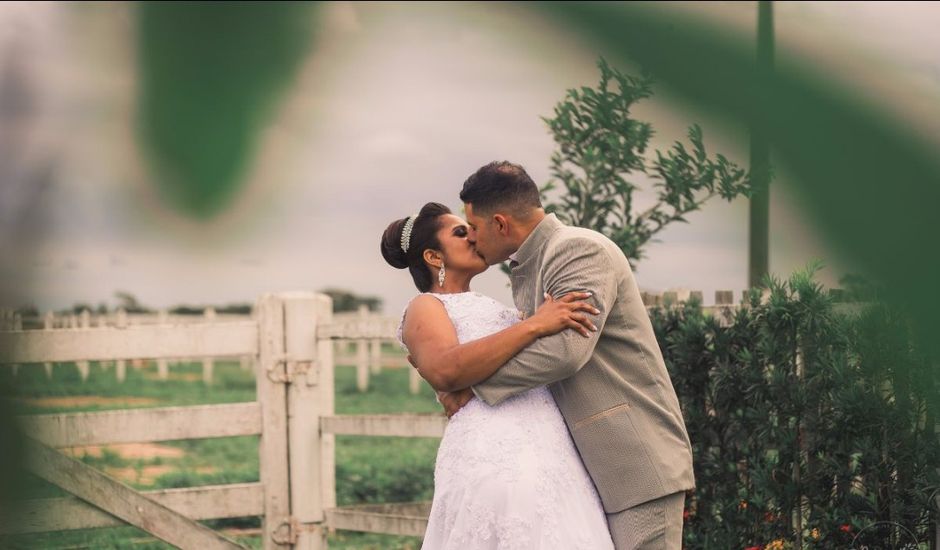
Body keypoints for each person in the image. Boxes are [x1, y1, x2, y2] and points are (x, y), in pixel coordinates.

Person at [439, 161, 695, 549]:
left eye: (473, 227)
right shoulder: (531, 263)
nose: (471, 238)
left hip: (633, 460)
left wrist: (474, 389)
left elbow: (564, 351)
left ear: (501, 224)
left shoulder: (577, 250)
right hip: (593, 469)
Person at [381, 201, 615, 549]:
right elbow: (446, 369)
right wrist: (536, 324)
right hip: (491, 451)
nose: (474, 237)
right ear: (433, 257)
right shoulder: (426, 306)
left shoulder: (493, 306)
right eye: (461, 232)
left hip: (550, 447)